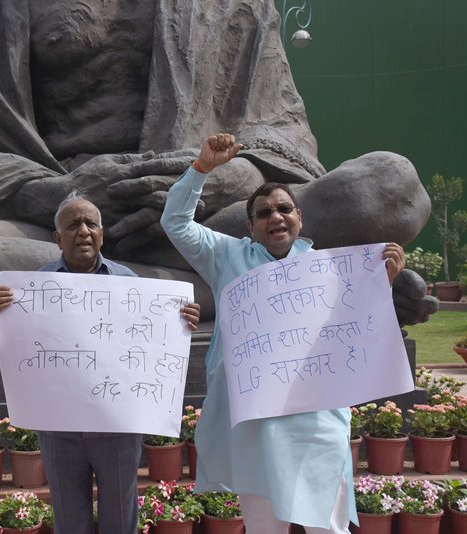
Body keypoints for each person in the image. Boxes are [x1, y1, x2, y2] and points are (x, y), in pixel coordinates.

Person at [0, 0, 432, 325]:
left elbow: (283, 130)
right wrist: (55, 192)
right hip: (55, 224)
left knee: (387, 185)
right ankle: (274, 284)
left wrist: (233, 174)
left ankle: (101, 288)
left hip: (212, 221)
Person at [160, 133, 407, 533]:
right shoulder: (227, 256)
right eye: (263, 213)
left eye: (284, 208)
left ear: (299, 217)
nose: (275, 217)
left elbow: (356, 332)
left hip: (317, 420)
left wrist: (381, 286)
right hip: (256, 424)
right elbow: (174, 222)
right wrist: (201, 168)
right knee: (263, 528)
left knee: (326, 527)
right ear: (251, 226)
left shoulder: (329, 269)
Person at [0, 191, 201, 534]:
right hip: (59, 429)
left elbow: (154, 341)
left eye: (91, 223)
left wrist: (181, 320)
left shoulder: (129, 283)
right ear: (58, 238)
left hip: (116, 426)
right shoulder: (32, 288)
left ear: (102, 233)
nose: (83, 231)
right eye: (72, 225)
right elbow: (15, 350)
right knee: (70, 519)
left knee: (119, 516)